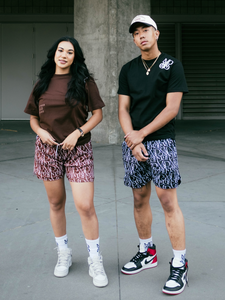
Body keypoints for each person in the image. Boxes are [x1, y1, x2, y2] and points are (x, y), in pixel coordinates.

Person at [24, 36, 108, 288]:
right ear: (53, 54)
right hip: (48, 151)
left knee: (85, 205)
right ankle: (64, 253)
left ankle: (95, 258)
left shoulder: (84, 81)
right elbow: (33, 119)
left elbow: (98, 114)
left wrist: (78, 132)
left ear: (75, 57)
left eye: (69, 52)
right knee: (56, 202)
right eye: (60, 50)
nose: (64, 55)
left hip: (78, 150)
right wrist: (41, 133)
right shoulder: (42, 84)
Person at [118, 15, 189, 295]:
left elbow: (172, 108)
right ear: (134, 39)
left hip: (160, 142)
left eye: (145, 30)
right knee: (139, 198)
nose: (141, 36)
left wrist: (141, 134)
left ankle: (180, 262)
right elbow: (123, 108)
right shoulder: (128, 69)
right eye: (136, 33)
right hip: (133, 142)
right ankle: (147, 251)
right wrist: (131, 139)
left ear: (156, 33)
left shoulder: (172, 66)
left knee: (167, 200)